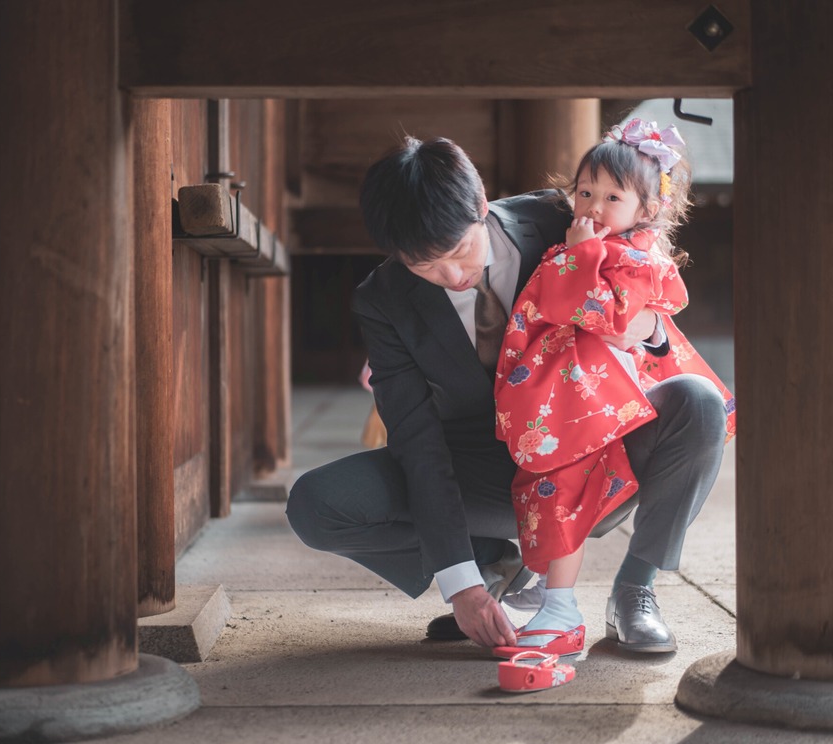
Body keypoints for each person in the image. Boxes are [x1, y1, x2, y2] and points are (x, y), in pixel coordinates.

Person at [286, 131, 728, 653]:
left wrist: (649, 326)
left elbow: (647, 282)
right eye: (423, 265)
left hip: (597, 441)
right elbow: (415, 439)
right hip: (484, 467)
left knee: (699, 401)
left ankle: (635, 589)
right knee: (317, 505)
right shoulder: (382, 300)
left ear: (480, 206)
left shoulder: (562, 218)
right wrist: (462, 584)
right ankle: (496, 563)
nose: (450, 275)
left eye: (458, 250)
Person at [489, 120, 735, 657]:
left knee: (700, 404)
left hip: (633, 409)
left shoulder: (641, 259)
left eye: (612, 196)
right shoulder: (569, 249)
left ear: (648, 210)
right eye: (584, 192)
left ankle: (634, 589)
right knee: (561, 475)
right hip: (573, 404)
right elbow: (557, 309)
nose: (593, 206)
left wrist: (627, 308)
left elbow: (604, 315)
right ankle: (551, 595)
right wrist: (579, 259)